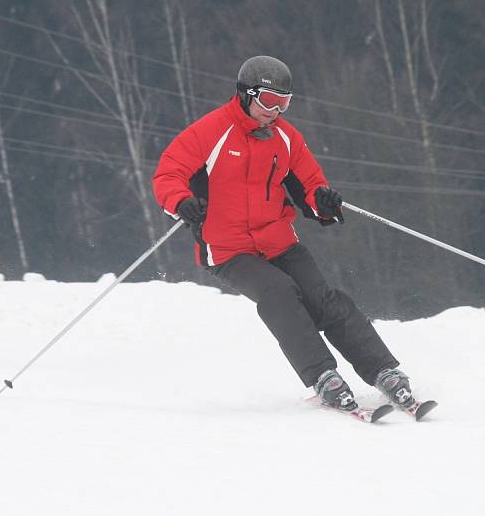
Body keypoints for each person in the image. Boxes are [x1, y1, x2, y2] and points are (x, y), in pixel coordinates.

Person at [153, 55, 417, 412]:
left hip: (278, 241)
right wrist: (181, 202)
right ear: (246, 95)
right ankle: (323, 376)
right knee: (279, 294)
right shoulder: (211, 132)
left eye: (284, 103)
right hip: (229, 249)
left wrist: (323, 201)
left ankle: (384, 371)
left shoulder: (286, 138)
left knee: (323, 299)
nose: (275, 111)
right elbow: (168, 173)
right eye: (268, 101)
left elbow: (309, 184)